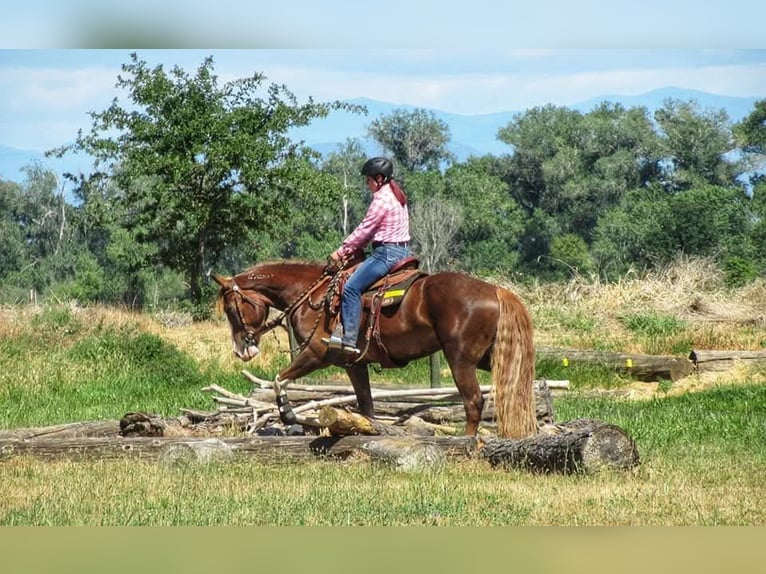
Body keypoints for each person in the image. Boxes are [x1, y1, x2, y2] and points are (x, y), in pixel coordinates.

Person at [323, 157, 411, 355]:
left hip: (386, 253)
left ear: (379, 178)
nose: (367, 183)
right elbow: (372, 231)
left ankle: (349, 340)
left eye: (369, 179)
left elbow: (365, 229)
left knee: (352, 288)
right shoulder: (397, 194)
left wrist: (342, 250)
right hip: (402, 251)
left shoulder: (382, 199)